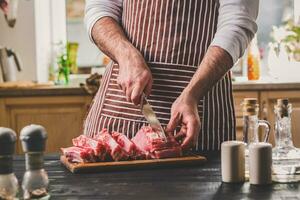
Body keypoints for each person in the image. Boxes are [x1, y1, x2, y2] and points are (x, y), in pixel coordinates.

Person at [84, 0, 259, 151]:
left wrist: (192, 94)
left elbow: (237, 23)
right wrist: (125, 56)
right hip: (120, 104)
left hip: (199, 109)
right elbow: (99, 9)